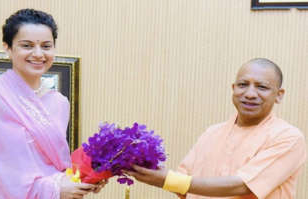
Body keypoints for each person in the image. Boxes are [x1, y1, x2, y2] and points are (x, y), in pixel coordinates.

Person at [0, 8, 106, 199]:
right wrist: (52, 189)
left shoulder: (59, 103)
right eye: (27, 45)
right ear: (7, 48)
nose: (38, 54)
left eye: (46, 46)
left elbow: (54, 167)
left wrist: (83, 180)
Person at [126, 58, 306, 199]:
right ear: (233, 89)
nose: (250, 94)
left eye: (262, 87)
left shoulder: (288, 137)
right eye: (243, 85)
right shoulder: (212, 133)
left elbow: (243, 185)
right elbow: (183, 186)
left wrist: (170, 180)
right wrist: (133, 164)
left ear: (279, 95)